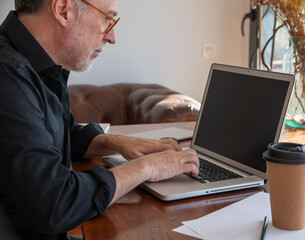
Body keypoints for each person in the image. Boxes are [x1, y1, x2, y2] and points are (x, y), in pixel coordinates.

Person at [0, 0, 200, 239]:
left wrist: (119, 143)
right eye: (107, 18)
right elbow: (55, 203)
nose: (112, 37)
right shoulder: (8, 74)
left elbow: (61, 135)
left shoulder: (39, 66)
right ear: (63, 10)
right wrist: (149, 167)